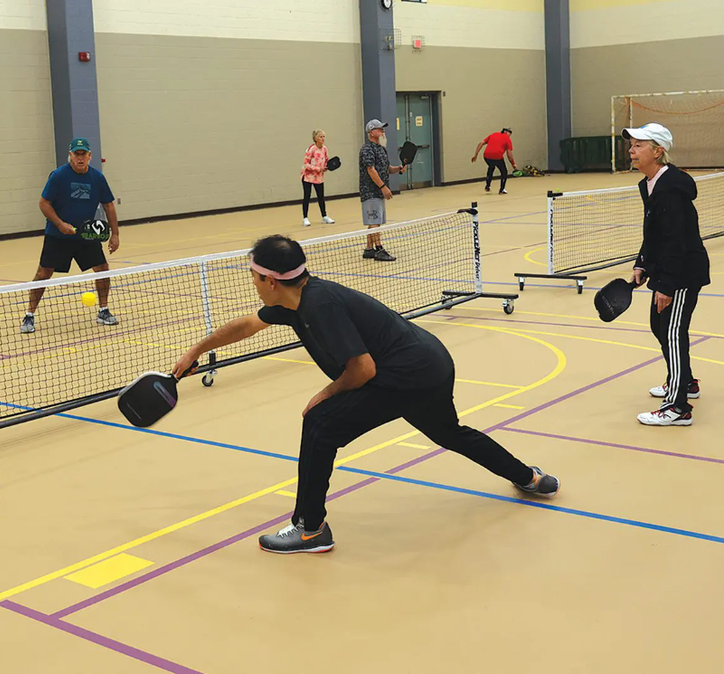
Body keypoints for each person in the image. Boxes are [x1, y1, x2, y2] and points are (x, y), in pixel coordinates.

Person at [172, 235, 559, 554]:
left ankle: (309, 529)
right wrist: (197, 351)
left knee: (320, 424)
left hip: (407, 374)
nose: (252, 283)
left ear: (270, 281)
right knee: (449, 432)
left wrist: (325, 394)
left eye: (254, 276)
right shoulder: (294, 302)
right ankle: (528, 477)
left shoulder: (319, 306)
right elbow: (246, 326)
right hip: (432, 363)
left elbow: (362, 370)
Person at [624, 122, 709, 426]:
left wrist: (668, 285)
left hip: (682, 272)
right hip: (668, 269)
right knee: (660, 328)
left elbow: (676, 239)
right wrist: (642, 263)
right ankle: (685, 381)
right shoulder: (648, 184)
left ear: (658, 151)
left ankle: (677, 407)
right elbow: (654, 232)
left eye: (639, 145)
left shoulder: (671, 188)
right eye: (631, 145)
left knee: (673, 333)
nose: (632, 151)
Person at [20, 137, 120, 334]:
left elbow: (108, 205)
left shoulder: (97, 178)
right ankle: (29, 315)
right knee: (43, 273)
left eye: (84, 154)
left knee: (103, 269)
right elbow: (44, 203)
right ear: (70, 155)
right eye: (76, 154)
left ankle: (103, 310)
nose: (80, 158)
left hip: (86, 235)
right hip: (57, 235)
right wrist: (60, 224)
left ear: (90, 156)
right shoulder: (59, 176)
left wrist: (115, 234)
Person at [359, 119, 406, 262]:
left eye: (383, 129)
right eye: (380, 129)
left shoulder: (381, 149)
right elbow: (370, 170)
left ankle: (369, 249)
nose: (383, 131)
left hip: (378, 192)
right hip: (370, 191)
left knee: (374, 220)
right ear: (371, 132)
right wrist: (383, 187)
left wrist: (398, 169)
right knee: (375, 221)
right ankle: (379, 249)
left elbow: (387, 168)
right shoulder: (367, 149)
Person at [300, 130, 335, 227]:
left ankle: (324, 216)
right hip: (307, 176)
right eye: (320, 137)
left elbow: (327, 160)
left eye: (324, 136)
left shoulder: (325, 149)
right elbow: (306, 164)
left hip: (319, 177)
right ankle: (305, 218)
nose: (323, 139)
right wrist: (318, 169)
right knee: (307, 196)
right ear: (315, 138)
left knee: (321, 197)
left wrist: (326, 167)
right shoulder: (311, 149)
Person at [471, 128, 516, 194]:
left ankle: (487, 186)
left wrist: (475, 155)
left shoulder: (493, 134)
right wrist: (513, 164)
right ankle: (502, 189)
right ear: (506, 132)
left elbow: (481, 143)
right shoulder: (507, 139)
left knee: (491, 167)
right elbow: (509, 155)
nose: (509, 136)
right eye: (510, 134)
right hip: (497, 157)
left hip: (486, 156)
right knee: (504, 172)